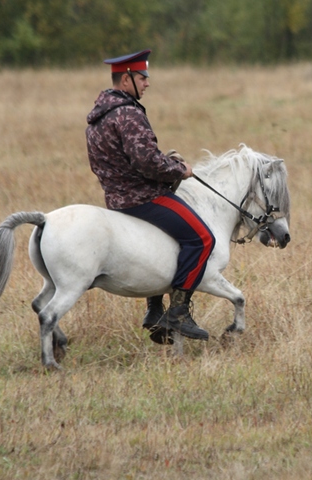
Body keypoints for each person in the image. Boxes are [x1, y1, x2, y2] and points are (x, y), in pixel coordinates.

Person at [86, 49, 215, 343]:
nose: (147, 83)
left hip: (115, 199)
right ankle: (178, 312)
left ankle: (154, 310)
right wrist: (179, 169)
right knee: (203, 238)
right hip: (143, 198)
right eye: (143, 77)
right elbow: (147, 162)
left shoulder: (98, 117)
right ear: (126, 79)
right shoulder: (128, 114)